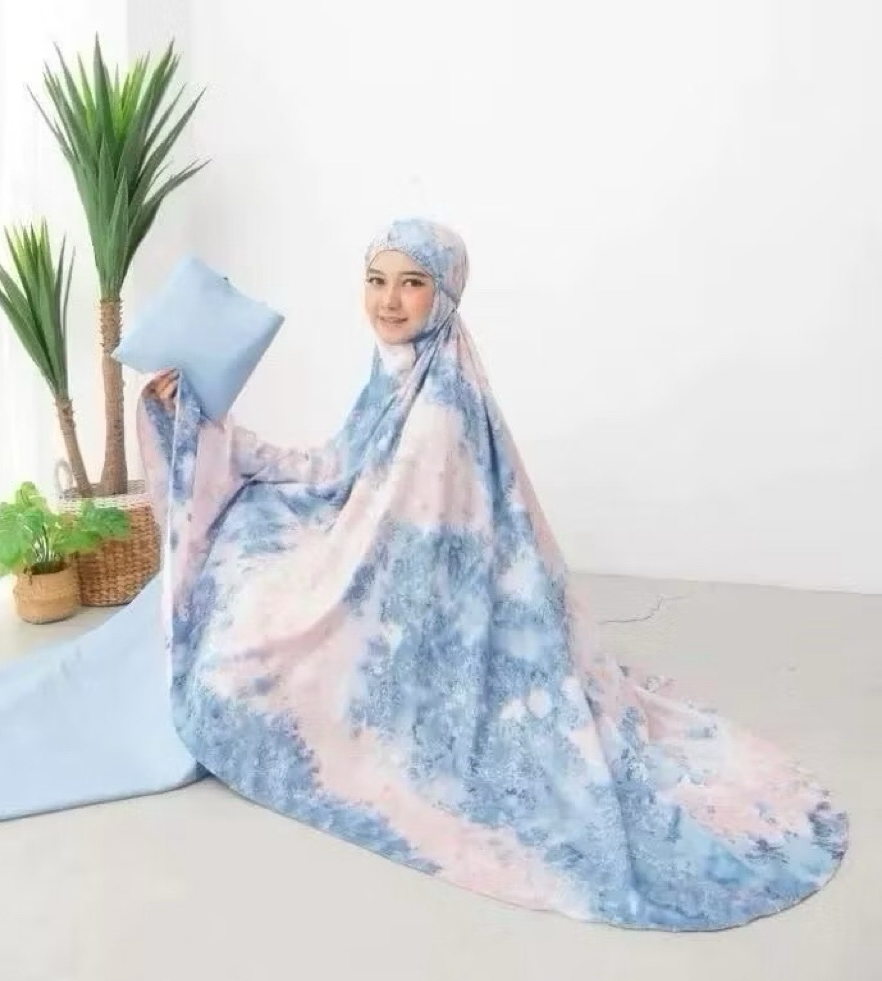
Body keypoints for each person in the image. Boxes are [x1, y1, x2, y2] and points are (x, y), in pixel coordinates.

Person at [135, 218, 847, 931]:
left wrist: (305, 592)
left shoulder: (440, 412)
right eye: (376, 281)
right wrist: (208, 426)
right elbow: (335, 466)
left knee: (239, 675)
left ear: (444, 295)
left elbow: (395, 563)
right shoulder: (404, 371)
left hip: (405, 613)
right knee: (252, 532)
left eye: (412, 284)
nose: (389, 301)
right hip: (377, 569)